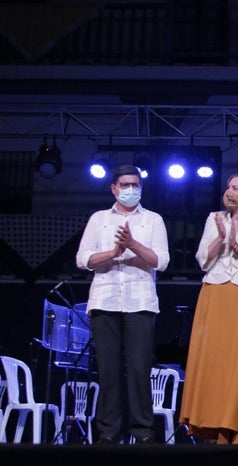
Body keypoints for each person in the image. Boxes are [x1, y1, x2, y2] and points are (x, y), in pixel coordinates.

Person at [75, 163, 170, 444]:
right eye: (125, 185)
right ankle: (108, 433)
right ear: (114, 189)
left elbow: (161, 261)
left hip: (140, 302)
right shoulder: (99, 219)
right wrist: (114, 252)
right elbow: (83, 259)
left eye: (135, 185)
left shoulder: (153, 220)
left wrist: (132, 244)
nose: (131, 190)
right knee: (108, 370)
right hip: (104, 300)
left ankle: (142, 432)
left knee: (140, 369)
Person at [178, 172, 238, 445]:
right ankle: (213, 424)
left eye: (235, 188)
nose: (228, 191)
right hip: (216, 293)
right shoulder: (214, 218)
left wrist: (235, 244)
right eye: (227, 186)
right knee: (215, 361)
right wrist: (220, 238)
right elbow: (202, 260)